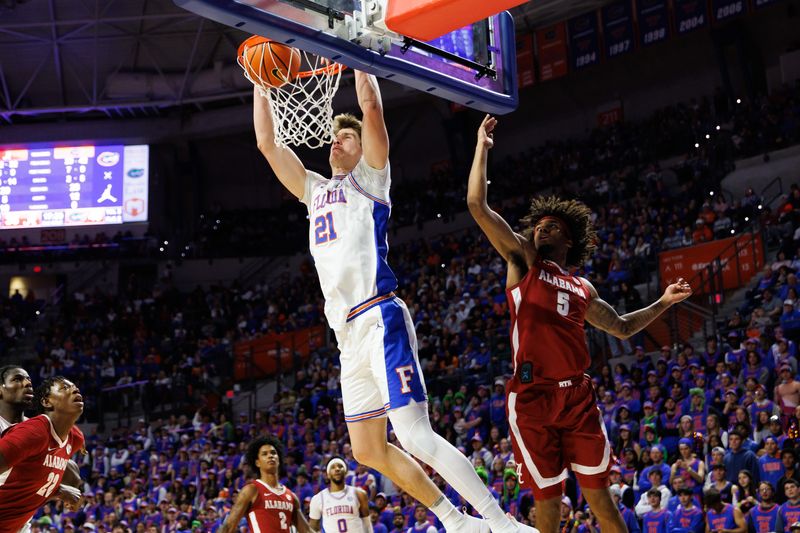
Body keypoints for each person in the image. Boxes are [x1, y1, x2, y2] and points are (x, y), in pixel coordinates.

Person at [252, 74, 532, 533]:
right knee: (365, 448)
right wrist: (259, 85)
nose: (338, 141)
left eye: (348, 136)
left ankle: (501, 523)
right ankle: (453, 519)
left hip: (379, 317)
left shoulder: (371, 181)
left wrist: (359, 60)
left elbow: (373, 111)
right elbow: (268, 143)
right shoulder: (314, 190)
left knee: (414, 434)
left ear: (365, 149)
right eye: (335, 137)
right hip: (347, 337)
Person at [465, 114, 692, 533]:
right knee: (548, 505)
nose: (540, 230)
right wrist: (481, 146)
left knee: (600, 500)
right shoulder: (522, 262)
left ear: (568, 240)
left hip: (578, 397)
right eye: (538, 226)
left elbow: (622, 327)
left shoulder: (582, 286)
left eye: (551, 226)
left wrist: (663, 301)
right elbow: (477, 206)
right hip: (532, 398)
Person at [0, 376, 85, 532]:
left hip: (17, 525)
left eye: (75, 387)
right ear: (47, 402)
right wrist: (60, 490)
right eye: (65, 388)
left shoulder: (76, 438)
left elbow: (39, 477)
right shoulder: (33, 432)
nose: (74, 389)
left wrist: (59, 491)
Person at [220, 436, 312, 532]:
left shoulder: (291, 496)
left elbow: (307, 531)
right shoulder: (251, 490)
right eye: (264, 454)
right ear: (257, 463)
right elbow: (228, 527)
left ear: (279, 459)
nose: (270, 456)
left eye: (273, 453)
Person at [309, 456, 372, 532]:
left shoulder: (359, 494)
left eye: (340, 466)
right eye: (333, 467)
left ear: (345, 472)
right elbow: (312, 528)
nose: (337, 469)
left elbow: (367, 526)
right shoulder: (318, 499)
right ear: (328, 474)